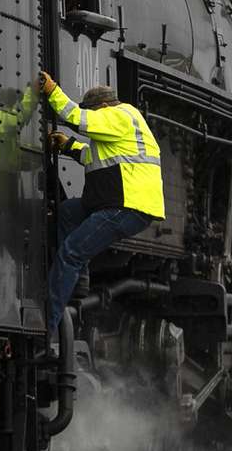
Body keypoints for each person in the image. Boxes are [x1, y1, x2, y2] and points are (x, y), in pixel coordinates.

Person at [39, 71, 165, 335]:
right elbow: (94, 158)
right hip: (114, 203)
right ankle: (77, 284)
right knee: (68, 212)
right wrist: (68, 147)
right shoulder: (122, 127)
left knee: (71, 252)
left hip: (124, 206)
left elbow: (76, 117)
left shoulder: (119, 115)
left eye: (94, 112)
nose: (95, 119)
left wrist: (51, 91)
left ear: (104, 107)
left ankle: (47, 328)